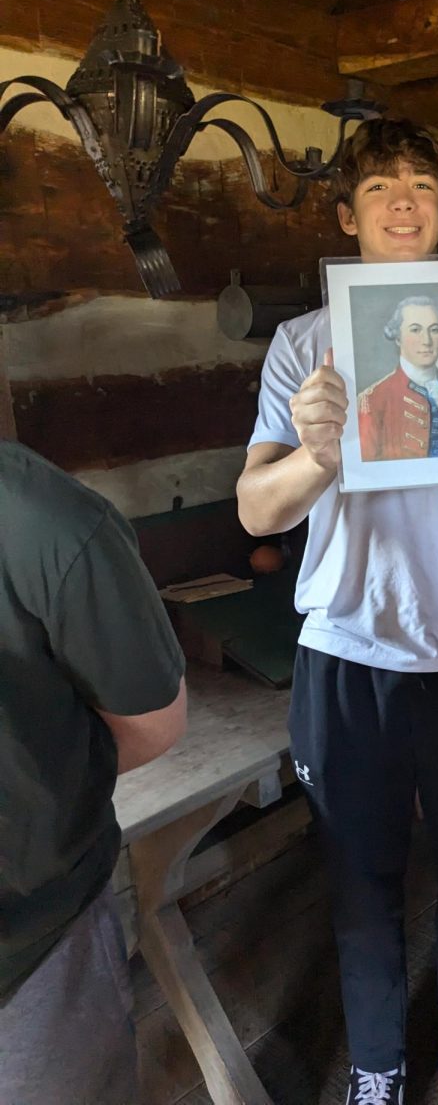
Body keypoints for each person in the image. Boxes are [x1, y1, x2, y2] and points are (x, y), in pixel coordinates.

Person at [237, 117, 438, 1105]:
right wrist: (316, 456)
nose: (401, 201)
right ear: (347, 215)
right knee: (359, 881)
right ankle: (378, 1066)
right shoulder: (305, 350)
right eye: (380, 186)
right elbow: (257, 505)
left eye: (421, 186)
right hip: (346, 654)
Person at [0, 439, 187, 1105]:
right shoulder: (48, 520)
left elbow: (149, 724)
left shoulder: (47, 524)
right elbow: (149, 730)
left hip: (29, 956)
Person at [358, 295, 438, 461]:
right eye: (415, 330)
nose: (426, 341)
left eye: (434, 330)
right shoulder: (371, 401)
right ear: (397, 337)